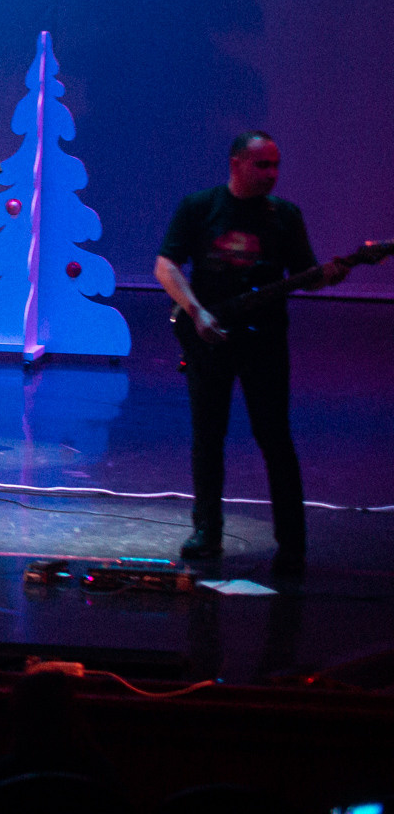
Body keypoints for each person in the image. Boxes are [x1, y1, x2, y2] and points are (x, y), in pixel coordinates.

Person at [155, 132, 343, 575]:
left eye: (276, 165)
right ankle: (206, 531)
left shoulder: (285, 216)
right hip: (210, 338)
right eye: (262, 165)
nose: (272, 174)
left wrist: (330, 275)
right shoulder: (200, 207)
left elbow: (306, 276)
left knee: (275, 438)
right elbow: (166, 266)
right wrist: (197, 313)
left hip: (265, 340)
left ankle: (292, 541)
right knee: (208, 437)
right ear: (237, 163)